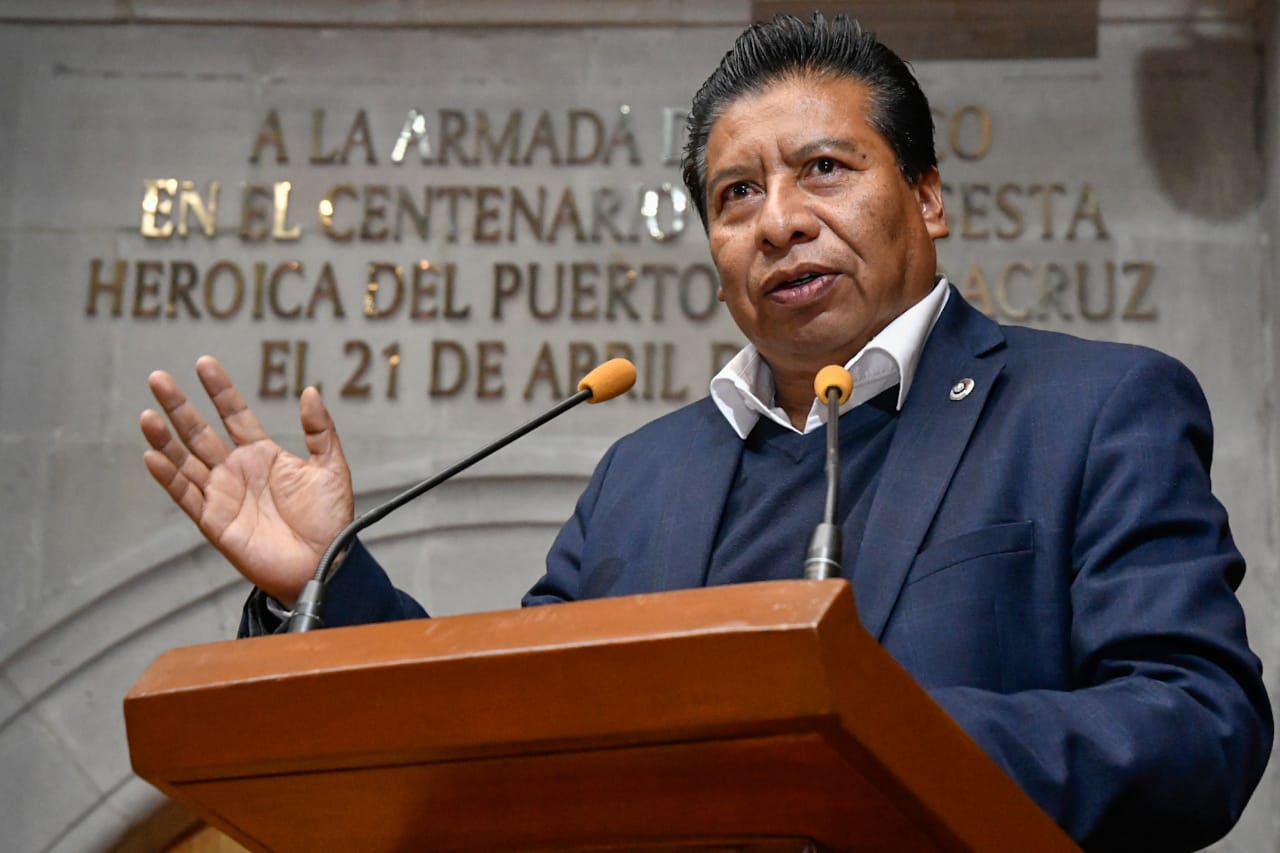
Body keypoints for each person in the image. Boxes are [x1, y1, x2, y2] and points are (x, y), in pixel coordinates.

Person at [140, 13, 1271, 850]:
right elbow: (510, 735)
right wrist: (325, 582)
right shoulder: (642, 473)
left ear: (925, 197)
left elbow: (1197, 725)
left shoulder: (1091, 408)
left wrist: (865, 738)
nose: (777, 221)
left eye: (823, 170)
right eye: (735, 195)